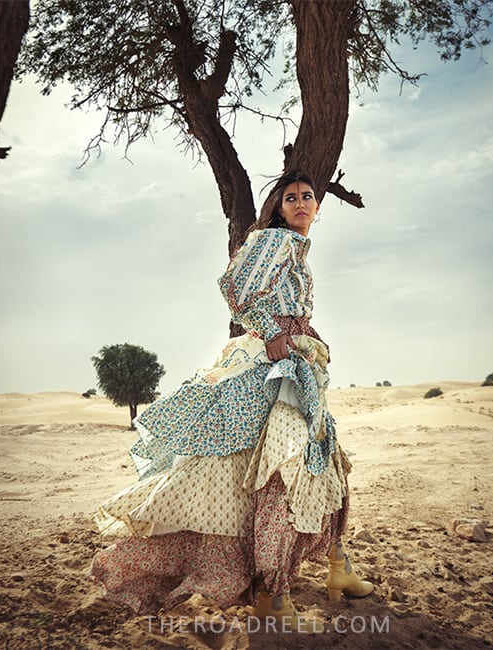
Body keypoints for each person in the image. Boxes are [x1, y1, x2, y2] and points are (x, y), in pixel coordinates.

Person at [89, 169, 373, 634]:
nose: (301, 203)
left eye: (308, 197)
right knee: (286, 467)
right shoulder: (274, 240)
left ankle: (337, 565)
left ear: (318, 206)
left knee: (322, 457)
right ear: (279, 208)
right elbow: (234, 288)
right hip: (271, 365)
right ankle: (273, 597)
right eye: (291, 198)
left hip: (297, 362)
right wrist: (273, 328)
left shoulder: (297, 249)